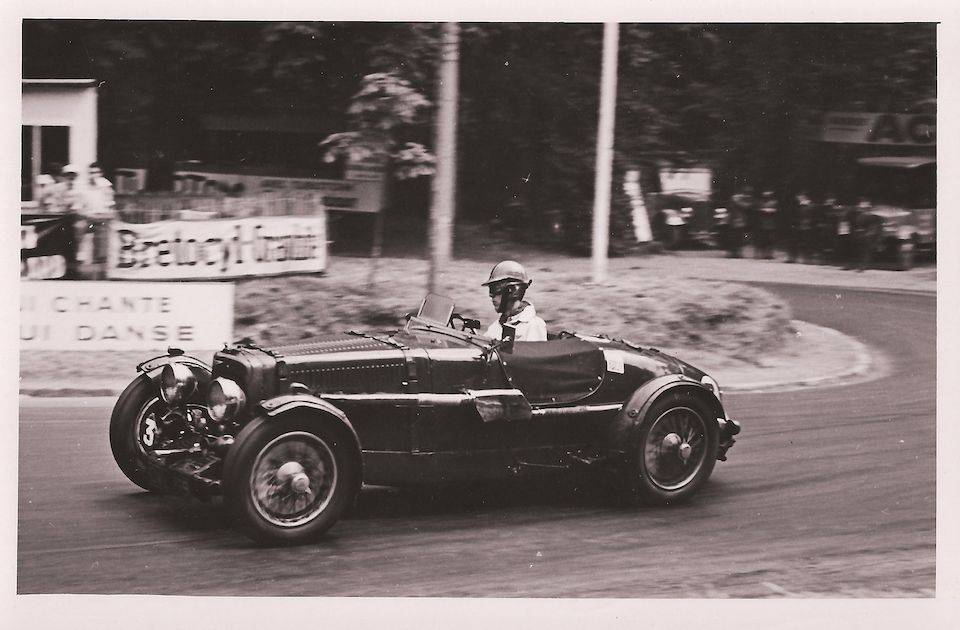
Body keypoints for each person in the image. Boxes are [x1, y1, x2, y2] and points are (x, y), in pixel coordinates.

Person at [481, 260, 547, 342]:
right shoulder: (498, 325)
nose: (491, 295)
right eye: (490, 289)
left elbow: (535, 353)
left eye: (495, 289)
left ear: (512, 291)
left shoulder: (535, 325)